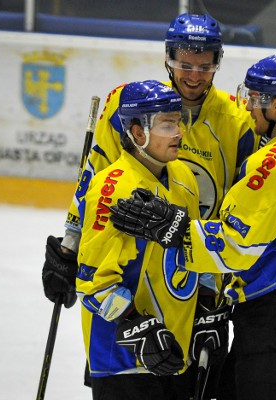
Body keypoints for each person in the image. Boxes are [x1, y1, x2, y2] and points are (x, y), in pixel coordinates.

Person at [110, 52, 276, 400]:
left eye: (254, 99)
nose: (248, 107)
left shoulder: (274, 162)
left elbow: (237, 246)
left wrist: (174, 227)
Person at [41, 12, 258, 397]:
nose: (194, 76)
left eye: (205, 67)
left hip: (194, 282)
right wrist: (71, 246)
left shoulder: (236, 123)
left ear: (217, 64)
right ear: (168, 59)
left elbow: (241, 211)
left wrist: (214, 298)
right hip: (132, 281)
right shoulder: (130, 105)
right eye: (184, 65)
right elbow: (94, 180)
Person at [75, 79, 202, 400]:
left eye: (178, 121)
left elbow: (192, 255)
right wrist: (134, 323)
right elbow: (91, 283)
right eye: (166, 124)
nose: (178, 132)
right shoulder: (112, 187)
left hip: (174, 353)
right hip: (123, 362)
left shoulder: (184, 177)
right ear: (137, 132)